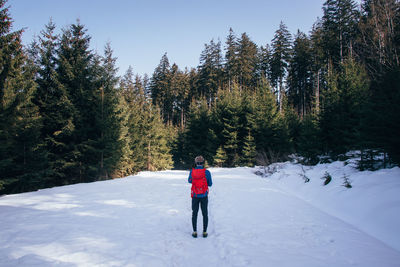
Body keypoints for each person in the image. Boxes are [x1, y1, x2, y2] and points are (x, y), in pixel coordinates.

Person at [188, 155, 212, 238]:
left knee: (194, 213)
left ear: (196, 163)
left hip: (195, 195)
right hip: (204, 195)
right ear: (203, 163)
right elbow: (210, 184)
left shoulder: (192, 171)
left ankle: (194, 232)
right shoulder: (207, 172)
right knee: (205, 214)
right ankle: (204, 232)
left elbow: (189, 181)